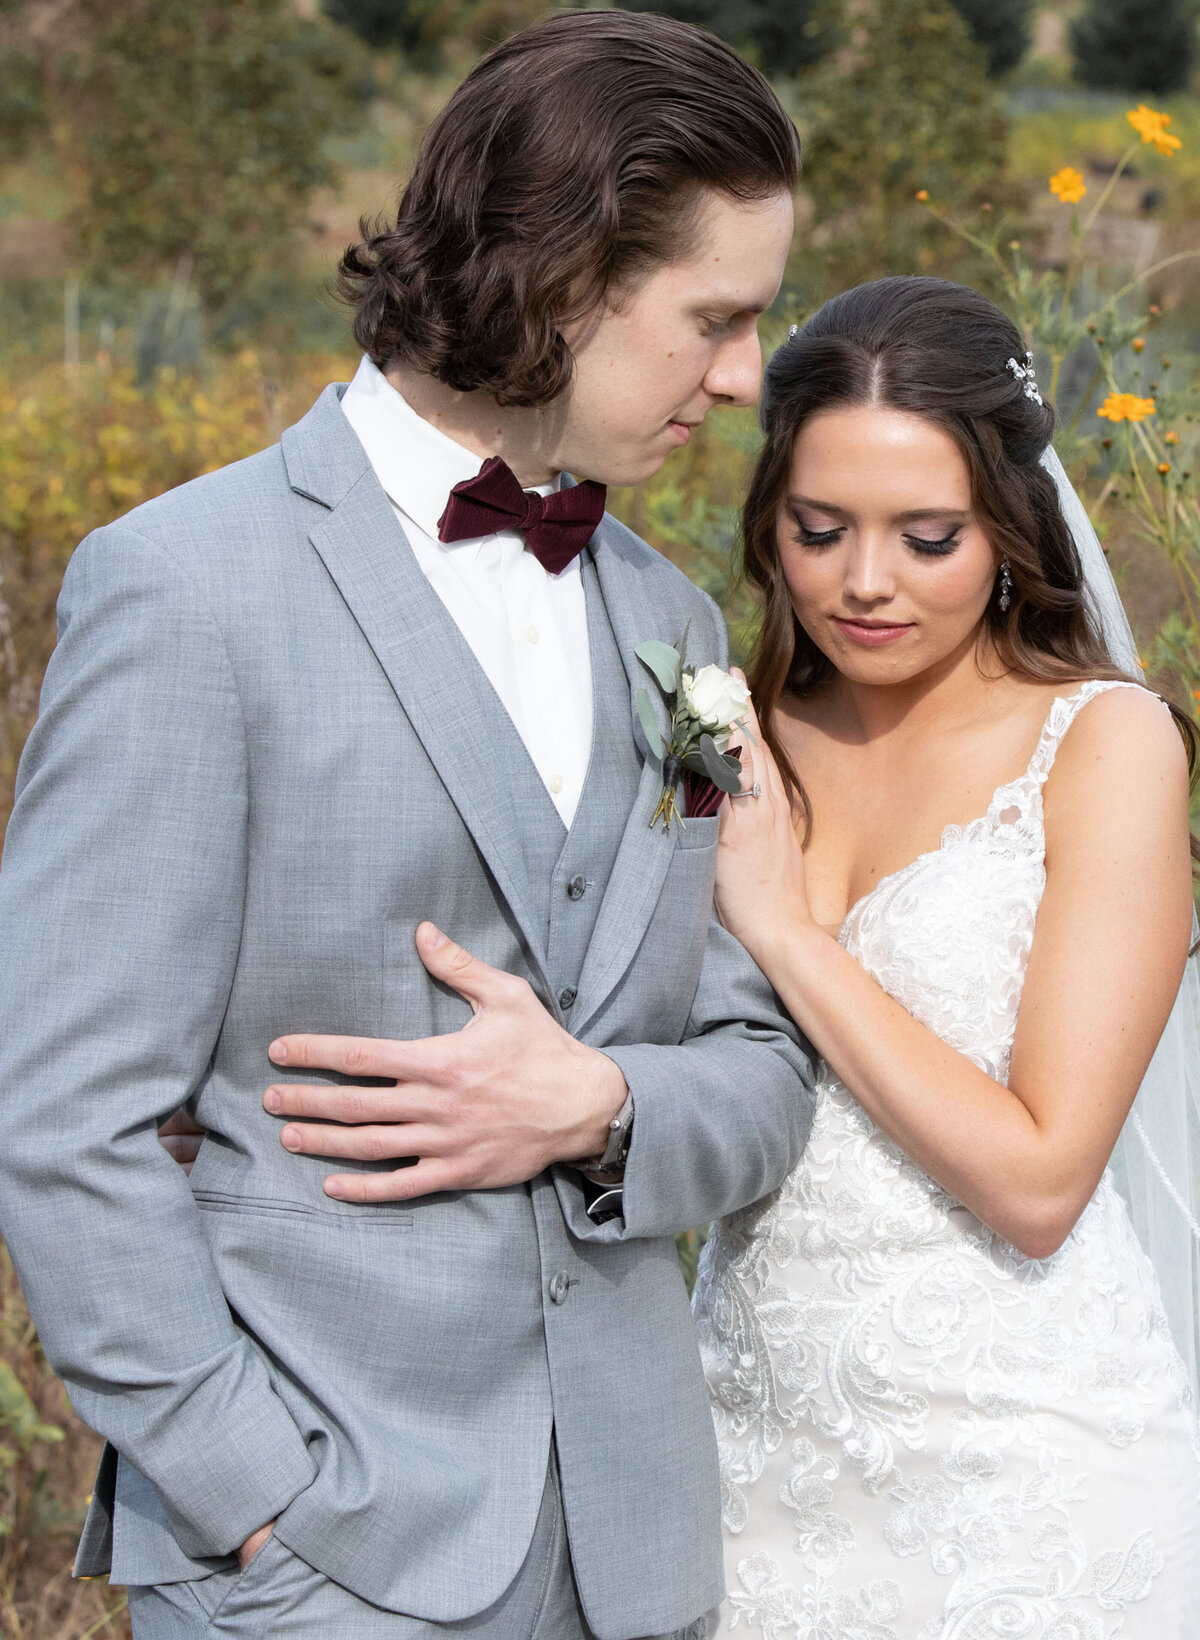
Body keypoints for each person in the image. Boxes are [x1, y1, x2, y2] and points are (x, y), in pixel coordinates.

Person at [0, 14, 814, 1638]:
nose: (745, 376)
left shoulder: (680, 629)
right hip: (319, 1554)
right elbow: (64, 1119)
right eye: (715, 319)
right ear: (565, 278)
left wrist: (603, 1106)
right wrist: (251, 1500)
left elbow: (761, 1068)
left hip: (641, 1556)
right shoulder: (184, 590)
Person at [692, 274, 1200, 1638]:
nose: (866, 583)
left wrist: (789, 936)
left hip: (1024, 1478)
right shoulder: (724, 732)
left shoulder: (1103, 747)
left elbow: (1041, 1177)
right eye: (819, 530)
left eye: (927, 537)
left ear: (1013, 533)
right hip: (737, 1466)